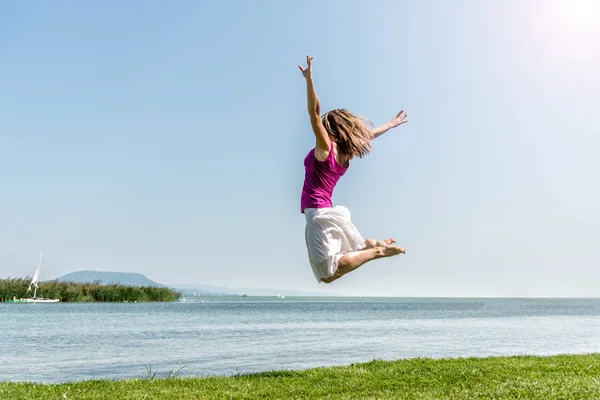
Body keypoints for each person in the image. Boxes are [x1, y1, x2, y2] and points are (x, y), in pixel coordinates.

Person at [298, 55, 408, 284]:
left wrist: (310, 81)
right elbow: (369, 135)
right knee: (333, 267)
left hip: (318, 214)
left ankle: (374, 251)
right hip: (325, 212)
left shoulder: (325, 148)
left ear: (331, 129)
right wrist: (391, 124)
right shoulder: (345, 154)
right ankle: (371, 245)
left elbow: (313, 113)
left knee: (327, 274)